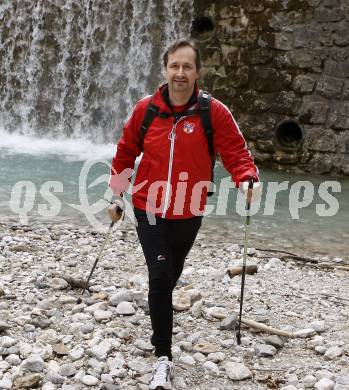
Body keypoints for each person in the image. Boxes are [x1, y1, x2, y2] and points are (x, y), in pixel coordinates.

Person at [108, 39, 259, 390]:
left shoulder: (213, 112)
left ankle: (158, 317)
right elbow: (125, 153)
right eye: (174, 66)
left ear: (197, 72)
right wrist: (117, 195)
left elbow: (236, 152)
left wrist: (247, 179)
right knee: (160, 276)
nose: (180, 72)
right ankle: (163, 356)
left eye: (187, 66)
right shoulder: (146, 110)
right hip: (148, 207)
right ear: (165, 69)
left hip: (190, 209)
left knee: (170, 274)